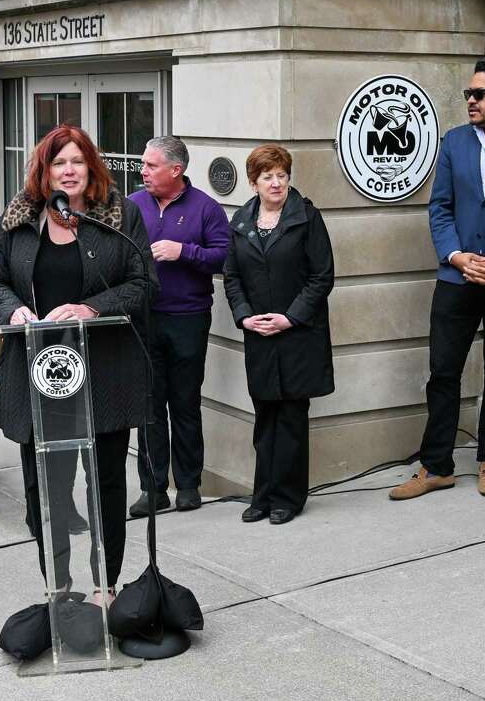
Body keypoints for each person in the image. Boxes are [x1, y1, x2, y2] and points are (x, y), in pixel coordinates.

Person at [0, 124, 155, 599]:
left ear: (91, 166)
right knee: (46, 491)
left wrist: (92, 307)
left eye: (77, 161)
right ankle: (57, 587)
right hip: (40, 374)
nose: (69, 170)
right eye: (59, 162)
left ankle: (106, 585)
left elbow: (142, 282)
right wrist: (11, 309)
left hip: (104, 373)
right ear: (44, 170)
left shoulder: (119, 216)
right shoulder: (19, 219)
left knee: (106, 486)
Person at [388, 57, 485, 502]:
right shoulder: (455, 142)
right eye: (468, 94)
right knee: (443, 371)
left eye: (480, 94)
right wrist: (456, 256)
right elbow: (439, 206)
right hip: (456, 278)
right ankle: (436, 465)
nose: (471, 101)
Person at [223, 144, 334, 525]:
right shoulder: (241, 221)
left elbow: (322, 277)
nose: (276, 182)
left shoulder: (307, 217)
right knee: (265, 416)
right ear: (253, 183)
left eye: (282, 175)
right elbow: (232, 277)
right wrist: (244, 317)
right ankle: (262, 496)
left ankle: (288, 497)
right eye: (267, 176)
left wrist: (290, 317)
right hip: (259, 335)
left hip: (297, 335)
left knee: (291, 418)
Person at [128, 136, 230, 517]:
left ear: (176, 170)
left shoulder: (205, 208)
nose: (143, 171)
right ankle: (152, 489)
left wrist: (183, 251)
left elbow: (225, 256)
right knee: (149, 406)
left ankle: (188, 485)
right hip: (144, 319)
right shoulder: (132, 205)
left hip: (188, 318)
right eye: (143, 164)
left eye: (151, 165)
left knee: (185, 403)